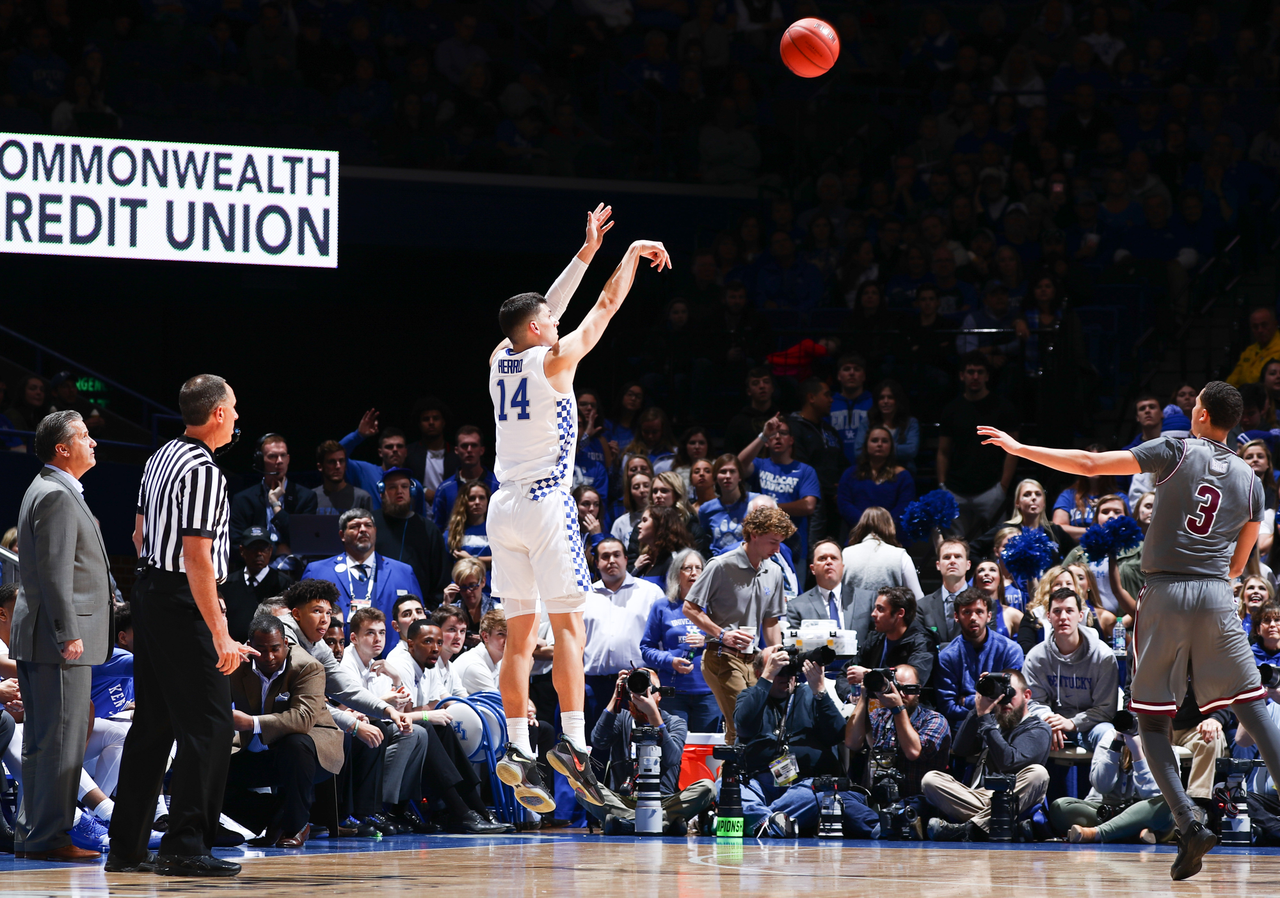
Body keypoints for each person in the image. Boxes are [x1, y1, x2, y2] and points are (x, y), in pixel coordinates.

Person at [979, 380, 1280, 880]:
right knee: (1254, 703)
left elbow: (1092, 465)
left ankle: (1188, 823)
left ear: (1200, 413)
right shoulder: (1252, 482)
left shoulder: (1175, 448)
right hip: (1216, 595)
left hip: (1164, 594)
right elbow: (1240, 562)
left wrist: (1019, 447)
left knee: (1151, 723)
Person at [488, 203, 671, 815]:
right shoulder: (557, 360)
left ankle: (515, 748)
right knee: (567, 625)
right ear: (540, 330)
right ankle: (570, 742)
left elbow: (548, 308)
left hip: (501, 507)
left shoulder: (500, 357)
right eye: (546, 318)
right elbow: (602, 308)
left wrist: (586, 249)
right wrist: (627, 256)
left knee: (518, 638)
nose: (552, 316)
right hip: (544, 502)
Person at [109, 375, 256, 877]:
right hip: (181, 599)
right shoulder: (204, 472)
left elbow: (138, 533)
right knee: (211, 727)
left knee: (153, 724)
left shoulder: (160, 457)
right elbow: (197, 558)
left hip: (150, 593)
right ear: (216, 414)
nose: (237, 416)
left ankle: (126, 846)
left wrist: (155, 582)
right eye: (233, 408)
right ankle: (185, 844)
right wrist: (219, 631)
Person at [11, 410, 112, 862]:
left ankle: (33, 834)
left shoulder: (54, 489)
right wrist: (68, 632)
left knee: (45, 740)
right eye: (85, 436)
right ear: (62, 448)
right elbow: (54, 574)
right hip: (60, 642)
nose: (94, 443)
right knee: (60, 740)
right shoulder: (55, 494)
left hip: (47, 639)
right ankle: (48, 837)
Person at [731, 644, 880, 838]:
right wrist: (767, 678)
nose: (785, 675)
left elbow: (836, 734)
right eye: (777, 668)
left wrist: (820, 691)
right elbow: (743, 726)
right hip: (761, 785)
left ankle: (762, 820)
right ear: (760, 671)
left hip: (802, 787)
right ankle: (772, 821)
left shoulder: (810, 695)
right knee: (727, 787)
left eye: (788, 668)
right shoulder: (750, 696)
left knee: (816, 791)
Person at [224, 615, 343, 848]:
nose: (269, 656)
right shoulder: (238, 666)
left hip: (314, 752)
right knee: (211, 771)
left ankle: (295, 825)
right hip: (261, 750)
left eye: (275, 649)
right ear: (249, 647)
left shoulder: (308, 666)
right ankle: (275, 815)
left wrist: (251, 722)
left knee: (295, 743)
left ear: (286, 644)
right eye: (261, 649)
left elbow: (303, 719)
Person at [682, 505, 793, 744]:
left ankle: (742, 778)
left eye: (780, 543)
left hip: (753, 661)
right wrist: (723, 635)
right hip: (721, 656)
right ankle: (730, 782)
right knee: (741, 725)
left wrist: (779, 658)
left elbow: (771, 621)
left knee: (758, 724)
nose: (777, 549)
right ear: (754, 534)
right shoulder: (720, 565)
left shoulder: (774, 571)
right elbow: (689, 608)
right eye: (773, 542)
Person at [923, 669, 1051, 841]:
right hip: (976, 796)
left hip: (1012, 795)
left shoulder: (1038, 728)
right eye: (999, 695)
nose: (1003, 701)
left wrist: (985, 720)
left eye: (1009, 694)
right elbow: (960, 748)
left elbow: (1009, 762)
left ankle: (968, 829)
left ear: (1027, 695)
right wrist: (979, 708)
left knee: (1038, 774)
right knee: (930, 780)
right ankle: (996, 825)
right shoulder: (990, 722)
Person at [584, 668, 715, 834]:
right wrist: (615, 698)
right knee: (583, 789)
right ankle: (664, 823)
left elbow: (671, 758)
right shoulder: (621, 718)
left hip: (663, 801)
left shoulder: (676, 722)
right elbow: (598, 741)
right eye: (636, 688)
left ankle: (627, 823)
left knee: (708, 787)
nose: (642, 694)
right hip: (624, 800)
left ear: (659, 695)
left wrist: (654, 716)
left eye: (648, 689)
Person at [301, 508, 424, 654]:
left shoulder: (403, 572)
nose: (363, 530)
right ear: (342, 535)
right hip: (331, 660)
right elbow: (302, 619)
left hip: (391, 660)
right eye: (355, 526)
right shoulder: (317, 571)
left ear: (375, 531)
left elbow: (419, 623)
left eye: (368, 525)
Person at [1023, 588, 1119, 752]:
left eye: (1069, 611)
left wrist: (1074, 723)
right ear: (1049, 616)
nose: (1063, 617)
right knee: (1024, 734)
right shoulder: (1036, 657)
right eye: (1057, 611)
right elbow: (1033, 701)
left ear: (1081, 616)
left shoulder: (1103, 656)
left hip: (1092, 726)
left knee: (1109, 735)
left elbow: (1106, 708)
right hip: (1052, 728)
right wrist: (1049, 720)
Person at [582, 538, 664, 731]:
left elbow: (661, 641)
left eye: (616, 555)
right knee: (597, 747)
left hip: (638, 684)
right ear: (597, 563)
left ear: (626, 559)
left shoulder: (650, 592)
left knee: (638, 747)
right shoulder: (584, 596)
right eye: (605, 556)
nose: (611, 560)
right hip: (595, 685)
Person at [937, 352, 1019, 539]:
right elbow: (943, 451)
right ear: (961, 375)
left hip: (991, 488)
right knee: (955, 545)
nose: (975, 376)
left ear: (987, 376)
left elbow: (1014, 449)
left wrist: (1003, 487)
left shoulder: (1003, 407)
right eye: (970, 372)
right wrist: (942, 486)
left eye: (980, 372)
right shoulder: (952, 409)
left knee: (998, 544)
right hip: (955, 488)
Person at [845, 663, 951, 803]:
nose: (901, 694)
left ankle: (873, 823)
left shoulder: (934, 720)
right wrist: (865, 693)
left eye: (908, 689)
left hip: (917, 801)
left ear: (918, 691)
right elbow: (852, 742)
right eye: (897, 688)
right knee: (838, 800)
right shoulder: (880, 716)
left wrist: (897, 708)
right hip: (876, 798)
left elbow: (913, 752)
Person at [641, 548, 720, 733]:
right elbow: (646, 649)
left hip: (709, 693)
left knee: (705, 754)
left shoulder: (714, 606)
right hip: (673, 694)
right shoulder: (663, 606)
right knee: (675, 752)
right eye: (687, 568)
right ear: (677, 573)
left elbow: (729, 642)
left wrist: (707, 640)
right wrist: (671, 661)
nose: (694, 573)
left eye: (698, 568)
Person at [1051, 725, 1172, 844]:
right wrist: (1115, 747)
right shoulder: (1111, 736)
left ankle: (1096, 833)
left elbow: (1154, 794)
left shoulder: (1161, 740)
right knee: (1060, 807)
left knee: (1167, 805)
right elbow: (1102, 786)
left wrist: (1137, 752)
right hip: (1105, 809)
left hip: (1143, 811)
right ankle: (1133, 831)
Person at [735, 415, 820, 567]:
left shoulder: (805, 470)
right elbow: (738, 465)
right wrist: (763, 435)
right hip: (759, 542)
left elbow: (808, 505)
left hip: (793, 544)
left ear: (791, 440)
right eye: (773, 434)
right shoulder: (760, 465)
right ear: (767, 442)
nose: (778, 437)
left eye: (783, 433)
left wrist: (771, 508)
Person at [936, 587, 1025, 726]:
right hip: (963, 728)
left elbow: (1012, 699)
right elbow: (948, 707)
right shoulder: (947, 656)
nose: (973, 618)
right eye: (966, 612)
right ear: (956, 616)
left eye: (979, 612)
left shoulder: (1010, 650)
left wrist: (966, 701)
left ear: (989, 616)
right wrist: (989, 702)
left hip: (1002, 726)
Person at [841, 508, 925, 649]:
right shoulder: (900, 556)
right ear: (889, 526)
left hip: (852, 633)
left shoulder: (845, 554)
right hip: (891, 632)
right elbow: (918, 600)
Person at [229, 433, 318, 558]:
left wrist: (276, 505)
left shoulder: (306, 497)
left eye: (283, 455)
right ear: (260, 461)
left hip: (294, 571)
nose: (279, 461)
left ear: (288, 459)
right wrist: (275, 550)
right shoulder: (243, 499)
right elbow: (236, 543)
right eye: (272, 456)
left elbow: (304, 540)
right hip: (256, 569)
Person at [843, 587, 939, 700]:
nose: (873, 614)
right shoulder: (875, 638)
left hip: (910, 711)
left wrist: (869, 675)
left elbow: (911, 683)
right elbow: (844, 674)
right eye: (875, 608)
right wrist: (851, 696)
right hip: (874, 711)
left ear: (900, 613)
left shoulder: (923, 643)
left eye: (880, 609)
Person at [374, 467, 450, 610]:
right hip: (376, 607)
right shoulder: (370, 524)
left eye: (404, 486)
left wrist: (429, 610)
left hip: (418, 611)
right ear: (382, 492)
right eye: (392, 487)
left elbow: (440, 578)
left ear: (412, 491)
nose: (399, 491)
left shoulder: (428, 530)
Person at [837, 426, 916, 534]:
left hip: (893, 534)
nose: (879, 444)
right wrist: (864, 524)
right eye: (874, 441)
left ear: (891, 447)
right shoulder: (850, 474)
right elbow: (844, 503)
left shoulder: (903, 476)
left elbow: (905, 506)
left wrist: (884, 525)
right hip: (857, 533)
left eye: (885, 441)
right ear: (866, 445)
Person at [222, 527, 294, 641]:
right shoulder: (227, 583)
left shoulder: (283, 583)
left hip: (270, 651)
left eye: (263, 548)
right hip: (234, 649)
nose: (259, 553)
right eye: (253, 548)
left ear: (270, 550)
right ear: (242, 551)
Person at [430, 426, 501, 532]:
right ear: (456, 450)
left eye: (474, 445)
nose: (469, 450)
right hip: (453, 546)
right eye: (464, 446)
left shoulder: (497, 485)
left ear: (482, 450)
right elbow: (437, 530)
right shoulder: (445, 489)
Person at [698, 454, 762, 556]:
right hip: (719, 564)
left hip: (748, 561)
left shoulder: (756, 501)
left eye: (732, 471)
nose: (728, 476)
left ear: (740, 476)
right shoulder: (706, 509)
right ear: (715, 477)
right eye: (723, 472)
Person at [917, 537, 971, 644]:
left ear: (968, 565)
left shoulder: (984, 603)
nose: (952, 561)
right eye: (946, 557)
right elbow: (920, 646)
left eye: (958, 556)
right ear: (938, 565)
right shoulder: (922, 606)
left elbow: (985, 645)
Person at [829, 353, 874, 465]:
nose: (852, 373)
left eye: (857, 369)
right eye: (847, 369)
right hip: (835, 466)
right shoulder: (829, 403)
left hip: (869, 464)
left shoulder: (874, 403)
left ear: (864, 376)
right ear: (839, 376)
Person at [867, 379, 921, 474]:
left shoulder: (911, 422)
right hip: (873, 473)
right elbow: (859, 451)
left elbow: (911, 450)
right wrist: (895, 450)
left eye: (890, 397)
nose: (885, 401)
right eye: (881, 398)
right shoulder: (868, 421)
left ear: (897, 400)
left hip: (903, 472)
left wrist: (878, 450)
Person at [453, 609, 506, 694]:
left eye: (511, 634)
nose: (508, 640)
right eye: (501, 634)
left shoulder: (500, 660)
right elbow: (502, 705)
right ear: (485, 636)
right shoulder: (474, 666)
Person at [313, 441, 373, 514]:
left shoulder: (361, 498)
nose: (338, 466)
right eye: (331, 462)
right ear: (320, 467)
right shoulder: (312, 497)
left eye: (341, 461)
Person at [1226, 306, 1280, 387]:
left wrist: (1241, 381)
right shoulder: (1249, 350)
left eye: (1264, 325)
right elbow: (1230, 381)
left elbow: (1255, 380)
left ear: (1275, 324)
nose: (1260, 330)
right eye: (1255, 327)